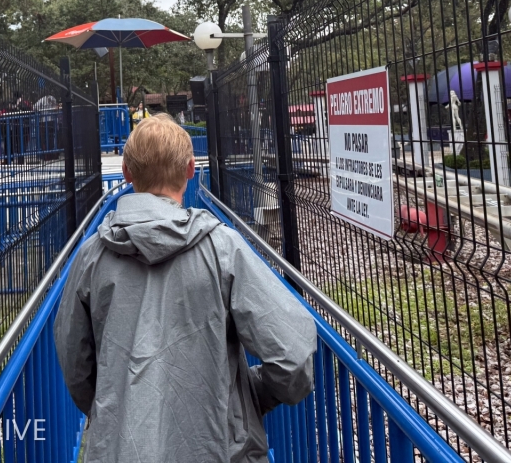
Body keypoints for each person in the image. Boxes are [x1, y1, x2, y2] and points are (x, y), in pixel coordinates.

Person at [54, 114, 317, 463]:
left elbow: (76, 364)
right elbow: (293, 359)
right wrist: (250, 395)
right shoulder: (223, 249)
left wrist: (120, 413)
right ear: (191, 168)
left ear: (127, 172)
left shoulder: (91, 258)